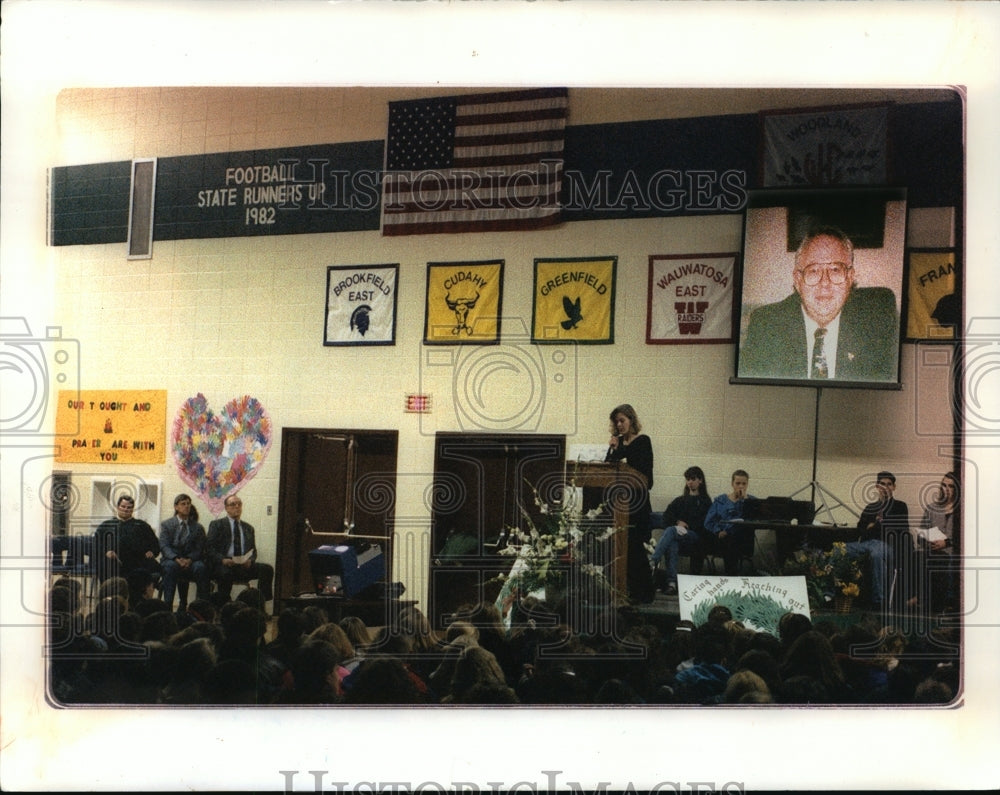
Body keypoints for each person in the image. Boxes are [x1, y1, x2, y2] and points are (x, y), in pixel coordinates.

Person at [740, 226, 899, 382]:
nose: (825, 283)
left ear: (850, 278)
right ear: (798, 280)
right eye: (814, 270)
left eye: (835, 270)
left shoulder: (877, 319)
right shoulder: (766, 326)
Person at [604, 403, 655, 604]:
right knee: (622, 548)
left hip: (638, 504)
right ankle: (626, 591)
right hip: (621, 506)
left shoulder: (642, 441)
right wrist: (614, 448)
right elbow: (609, 468)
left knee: (635, 548)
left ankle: (644, 594)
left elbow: (642, 474)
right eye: (616, 421)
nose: (619, 424)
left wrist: (621, 448)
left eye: (622, 420)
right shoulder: (620, 445)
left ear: (631, 421)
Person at [846, 471, 909, 609]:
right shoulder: (870, 507)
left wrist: (873, 526)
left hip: (888, 545)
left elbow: (897, 529)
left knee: (876, 553)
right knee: (840, 549)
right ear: (877, 486)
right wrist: (876, 526)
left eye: (889, 484)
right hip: (867, 544)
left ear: (893, 487)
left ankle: (878, 601)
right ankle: (832, 594)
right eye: (882, 484)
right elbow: (860, 528)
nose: (885, 487)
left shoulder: (900, 506)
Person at [648, 466, 713, 594]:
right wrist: (678, 522)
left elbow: (705, 524)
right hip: (680, 536)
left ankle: (653, 560)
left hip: (696, 537)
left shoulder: (706, 502)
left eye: (693, 479)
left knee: (672, 531)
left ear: (700, 480)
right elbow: (667, 517)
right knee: (672, 542)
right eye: (688, 479)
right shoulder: (680, 500)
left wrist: (685, 526)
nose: (690, 482)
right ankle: (671, 583)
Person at [206, 495, 275, 611]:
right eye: (233, 504)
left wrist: (250, 560)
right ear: (226, 508)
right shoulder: (217, 525)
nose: (237, 507)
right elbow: (209, 548)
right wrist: (222, 560)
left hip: (243, 564)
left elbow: (253, 551)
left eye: (239, 504)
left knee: (267, 569)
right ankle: (224, 608)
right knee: (225, 574)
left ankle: (260, 607)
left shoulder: (248, 528)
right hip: (224, 564)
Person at [910, 472, 959, 612]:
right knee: (917, 556)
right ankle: (920, 597)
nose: (946, 489)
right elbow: (921, 536)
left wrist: (946, 543)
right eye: (944, 485)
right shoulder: (932, 508)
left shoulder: (962, 510)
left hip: (951, 552)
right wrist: (928, 542)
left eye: (951, 486)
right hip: (932, 549)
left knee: (941, 561)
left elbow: (967, 537)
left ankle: (935, 602)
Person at [158, 494, 211, 612]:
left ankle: (200, 608)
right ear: (176, 507)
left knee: (201, 567)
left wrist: (190, 559)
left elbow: (200, 548)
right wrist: (176, 558)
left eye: (188, 504)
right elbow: (164, 546)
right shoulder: (166, 525)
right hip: (172, 560)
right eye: (183, 504)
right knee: (170, 567)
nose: (187, 506)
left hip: (191, 561)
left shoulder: (197, 527)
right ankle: (167, 608)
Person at [94, 495, 162, 585]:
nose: (126, 510)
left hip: (137, 562)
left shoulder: (142, 526)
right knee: (106, 565)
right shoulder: (106, 526)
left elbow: (155, 544)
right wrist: (105, 552)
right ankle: (110, 596)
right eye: (123, 506)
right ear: (118, 507)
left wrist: (152, 552)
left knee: (153, 568)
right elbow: (96, 544)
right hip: (114, 562)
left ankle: (141, 597)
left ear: (132, 509)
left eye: (129, 508)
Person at [704, 469, 756, 576]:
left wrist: (743, 502)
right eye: (738, 483)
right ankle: (731, 575)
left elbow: (753, 521)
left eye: (744, 483)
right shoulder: (720, 500)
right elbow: (708, 521)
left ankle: (731, 575)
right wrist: (718, 531)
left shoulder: (752, 502)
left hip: (742, 540)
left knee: (735, 540)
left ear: (747, 485)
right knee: (728, 542)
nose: (740, 486)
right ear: (732, 484)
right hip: (722, 538)